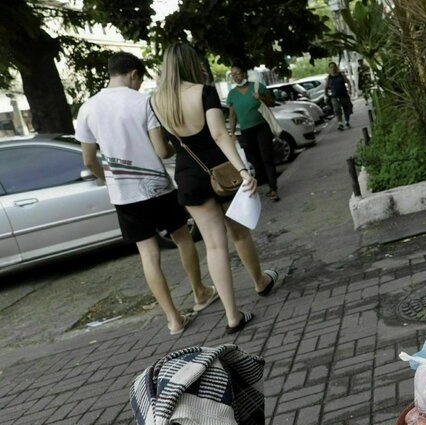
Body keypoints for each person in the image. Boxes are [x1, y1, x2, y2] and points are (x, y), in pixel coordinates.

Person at [74, 52, 217, 336]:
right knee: (182, 237)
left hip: (124, 195)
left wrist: (110, 179)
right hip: (157, 186)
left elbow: (89, 161)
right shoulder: (143, 101)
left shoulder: (87, 108)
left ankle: (173, 319)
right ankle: (200, 293)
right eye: (139, 79)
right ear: (134, 74)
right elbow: (162, 151)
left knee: (148, 254)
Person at [151, 43, 280, 335]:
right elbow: (220, 135)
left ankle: (232, 316)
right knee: (239, 232)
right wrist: (244, 171)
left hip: (188, 177)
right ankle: (260, 282)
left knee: (213, 245)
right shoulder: (204, 91)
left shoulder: (156, 101)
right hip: (222, 173)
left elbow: (162, 150)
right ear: (191, 63)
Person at [226, 65, 280, 201]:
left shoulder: (258, 86)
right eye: (233, 74)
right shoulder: (232, 95)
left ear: (244, 73)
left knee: (266, 157)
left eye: (238, 73)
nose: (236, 76)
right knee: (256, 160)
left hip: (262, 127)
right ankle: (267, 184)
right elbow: (232, 116)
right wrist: (232, 134)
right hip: (246, 131)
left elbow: (272, 102)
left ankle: (274, 188)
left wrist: (260, 98)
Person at [325, 62, 353, 130]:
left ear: (336, 67)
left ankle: (347, 121)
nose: (333, 68)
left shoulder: (341, 75)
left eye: (334, 66)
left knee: (347, 109)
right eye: (331, 67)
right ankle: (340, 124)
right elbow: (326, 87)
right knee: (337, 110)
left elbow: (348, 82)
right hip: (334, 96)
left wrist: (350, 90)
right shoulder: (329, 77)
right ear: (329, 69)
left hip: (344, 95)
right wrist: (326, 95)